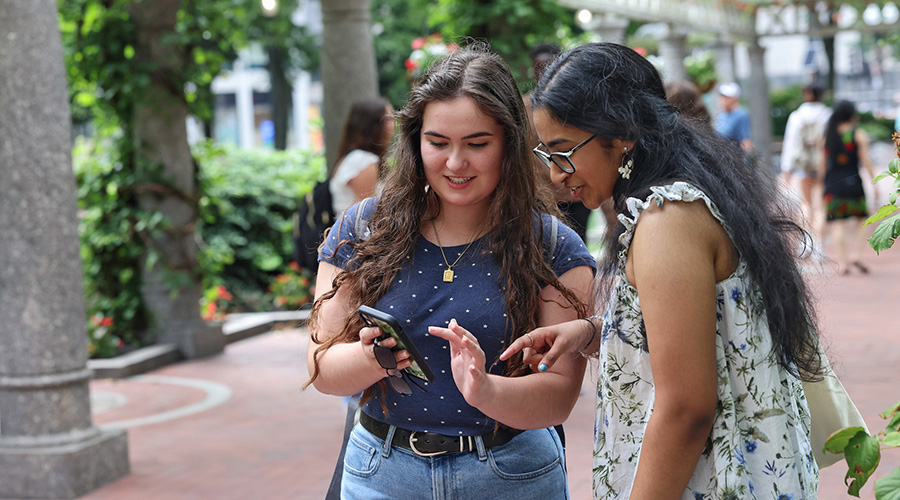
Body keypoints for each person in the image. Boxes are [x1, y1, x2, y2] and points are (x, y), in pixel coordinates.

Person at [501, 43, 823, 499]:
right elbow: (695, 332)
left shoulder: (667, 220)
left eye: (563, 151)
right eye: (547, 155)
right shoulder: (684, 198)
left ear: (623, 135)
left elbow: (687, 408)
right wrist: (593, 333)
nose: (556, 174)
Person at [305, 44, 595, 500]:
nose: (455, 163)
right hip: (383, 472)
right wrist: (372, 358)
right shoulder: (364, 227)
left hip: (511, 474)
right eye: (438, 143)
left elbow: (558, 395)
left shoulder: (553, 245)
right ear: (415, 141)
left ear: (510, 143)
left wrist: (485, 390)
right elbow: (321, 367)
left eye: (477, 144)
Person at [525, 42, 594, 243]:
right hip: (542, 197)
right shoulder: (523, 109)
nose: (542, 74)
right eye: (538, 69)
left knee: (577, 245)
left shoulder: (577, 107)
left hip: (574, 194)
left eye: (547, 67)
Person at [821, 100, 877, 275]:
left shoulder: (828, 135)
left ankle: (843, 263)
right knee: (864, 219)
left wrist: (823, 185)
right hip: (853, 183)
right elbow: (865, 160)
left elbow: (822, 164)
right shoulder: (857, 134)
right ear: (851, 114)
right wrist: (874, 181)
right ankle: (856, 254)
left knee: (838, 224)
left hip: (833, 184)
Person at [780, 83, 831, 260]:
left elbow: (790, 142)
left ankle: (806, 241)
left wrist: (786, 169)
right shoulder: (828, 115)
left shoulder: (797, 116)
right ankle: (819, 246)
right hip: (822, 165)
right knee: (821, 205)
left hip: (802, 165)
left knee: (806, 203)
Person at [330, 98, 394, 215]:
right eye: (389, 119)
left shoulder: (354, 157)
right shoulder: (363, 162)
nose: (393, 125)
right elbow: (369, 215)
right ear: (373, 126)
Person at [715, 82, 753, 152]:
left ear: (735, 99)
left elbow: (746, 141)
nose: (723, 99)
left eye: (726, 97)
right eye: (722, 96)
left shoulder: (742, 115)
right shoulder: (721, 115)